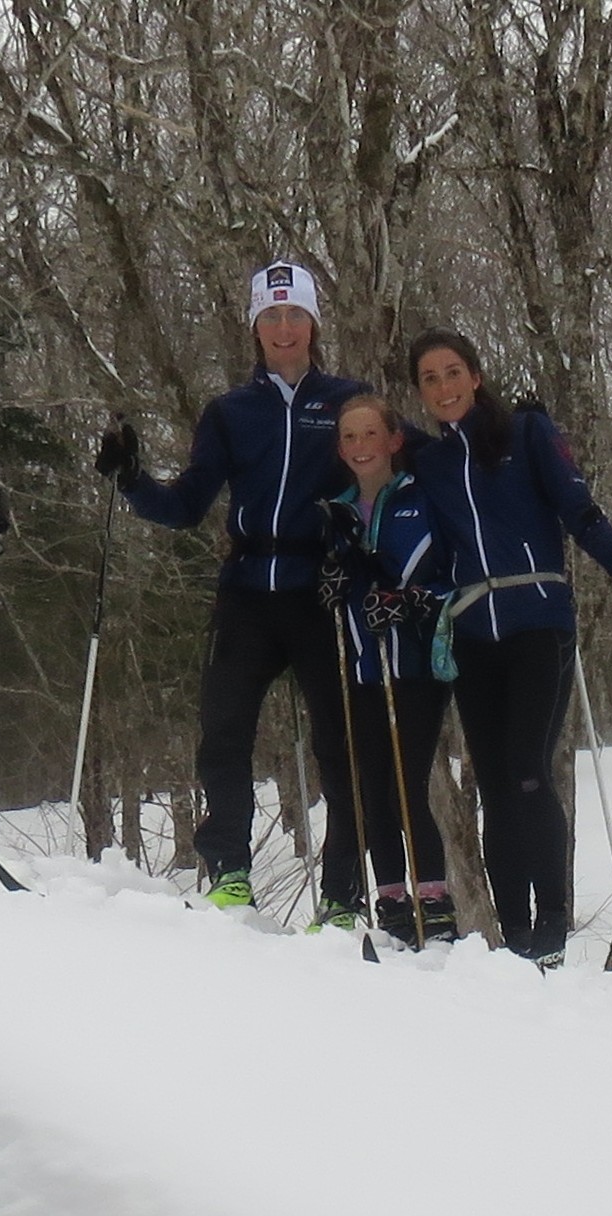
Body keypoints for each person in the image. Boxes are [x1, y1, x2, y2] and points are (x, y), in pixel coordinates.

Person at [405, 330, 612, 965]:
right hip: (473, 632)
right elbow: (395, 508)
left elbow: (579, 512)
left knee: (527, 767)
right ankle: (513, 935)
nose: (443, 387)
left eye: (452, 372)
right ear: (420, 393)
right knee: (493, 782)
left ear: (476, 376)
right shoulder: (428, 463)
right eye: (429, 378)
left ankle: (553, 921)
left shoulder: (525, 434)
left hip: (538, 619)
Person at [97, 260, 366, 912]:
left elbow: (402, 473)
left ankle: (342, 895)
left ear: (313, 324)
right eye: (271, 315)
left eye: (295, 314)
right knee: (223, 734)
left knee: (341, 746)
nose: (283, 328)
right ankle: (228, 873)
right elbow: (187, 504)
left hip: (320, 590)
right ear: (255, 327)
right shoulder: (231, 411)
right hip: (247, 588)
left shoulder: (348, 402)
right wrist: (132, 480)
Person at [320, 391, 458, 945]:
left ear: (394, 440)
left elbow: (450, 574)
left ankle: (434, 904)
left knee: (408, 785)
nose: (360, 446)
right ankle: (393, 902)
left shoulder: (420, 500)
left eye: (370, 434)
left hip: (415, 666)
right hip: (363, 666)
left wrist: (413, 601)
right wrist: (331, 585)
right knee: (374, 790)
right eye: (349, 437)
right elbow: (333, 578)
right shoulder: (338, 511)